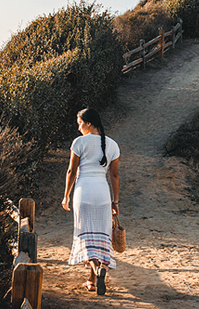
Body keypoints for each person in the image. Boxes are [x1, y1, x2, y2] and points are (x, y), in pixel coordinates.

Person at [61, 107, 120, 296]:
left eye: (80, 124)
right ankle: (93, 280)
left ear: (88, 123)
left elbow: (71, 171)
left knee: (86, 237)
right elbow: (115, 175)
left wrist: (66, 195)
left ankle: (95, 270)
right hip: (102, 194)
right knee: (102, 237)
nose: (78, 128)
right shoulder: (112, 145)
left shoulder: (79, 142)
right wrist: (115, 201)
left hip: (83, 193)